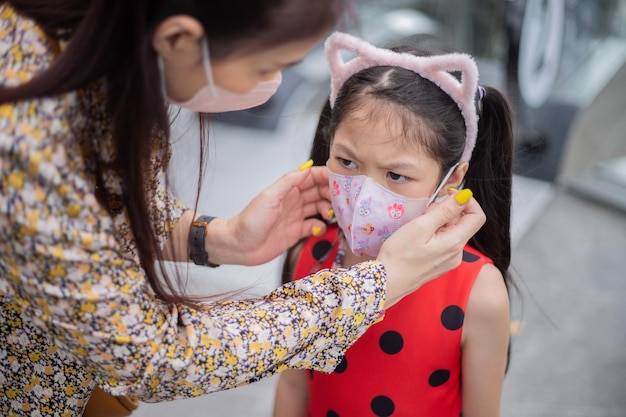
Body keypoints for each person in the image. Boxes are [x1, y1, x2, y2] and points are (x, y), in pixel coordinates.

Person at [0, 2, 487, 416]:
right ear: (179, 39)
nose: (273, 85)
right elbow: (147, 355)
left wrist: (217, 237)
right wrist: (375, 286)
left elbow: (96, 212)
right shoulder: (25, 138)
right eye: (264, 66)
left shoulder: (478, 292)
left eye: (396, 175)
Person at [273, 32, 513, 417]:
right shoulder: (310, 251)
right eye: (347, 162)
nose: (366, 196)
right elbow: (292, 386)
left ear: (453, 178)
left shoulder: (478, 292)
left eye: (396, 175)